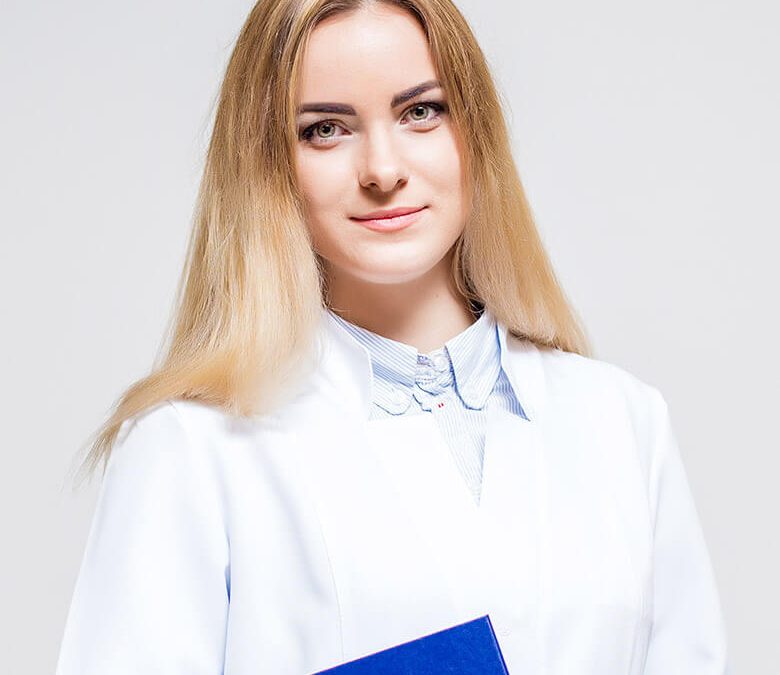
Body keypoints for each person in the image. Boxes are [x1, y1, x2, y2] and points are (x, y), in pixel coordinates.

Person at [55, 0, 730, 673]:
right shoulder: (190, 449)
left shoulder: (624, 422)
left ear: (477, 128)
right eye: (325, 129)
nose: (382, 169)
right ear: (267, 164)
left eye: (421, 111)